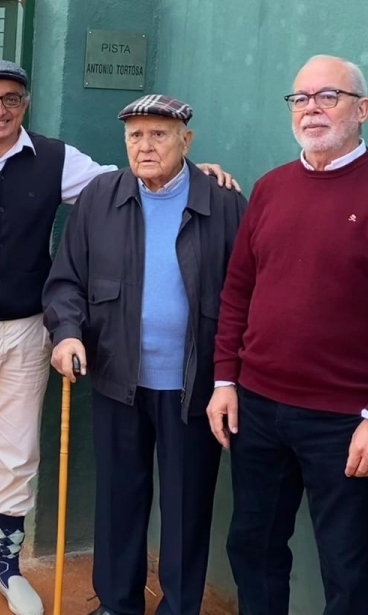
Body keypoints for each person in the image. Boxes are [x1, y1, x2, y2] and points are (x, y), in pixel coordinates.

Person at [0, 62, 237, 615]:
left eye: (10, 99)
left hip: (28, 328)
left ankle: (9, 570)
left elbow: (131, 175)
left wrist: (200, 173)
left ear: (26, 102)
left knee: (16, 451)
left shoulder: (57, 159)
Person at [208, 54, 368, 615]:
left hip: (344, 422)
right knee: (252, 547)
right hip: (256, 408)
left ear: (362, 109)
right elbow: (238, 293)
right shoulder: (272, 188)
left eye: (329, 96)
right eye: (300, 98)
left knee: (347, 568)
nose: (311, 109)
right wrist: (225, 379)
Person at [43, 94, 246, 615]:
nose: (145, 145)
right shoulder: (99, 197)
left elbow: (246, 292)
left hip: (193, 386)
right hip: (118, 378)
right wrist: (67, 332)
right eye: (135, 135)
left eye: (159, 134)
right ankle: (117, 604)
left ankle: (179, 608)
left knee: (185, 508)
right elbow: (67, 281)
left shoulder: (223, 202)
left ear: (187, 140)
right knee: (118, 502)